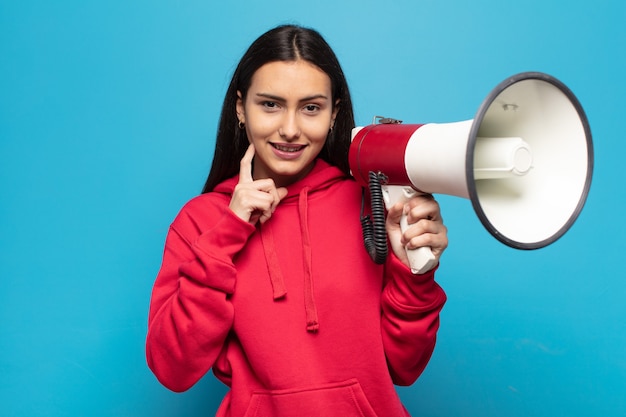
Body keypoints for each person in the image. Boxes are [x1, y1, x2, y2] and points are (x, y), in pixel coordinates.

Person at [146, 24, 448, 417]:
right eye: (270, 104)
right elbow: (173, 368)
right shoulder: (201, 221)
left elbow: (404, 367)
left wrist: (415, 275)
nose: (289, 129)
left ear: (334, 113)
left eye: (310, 108)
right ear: (241, 107)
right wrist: (228, 233)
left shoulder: (373, 206)